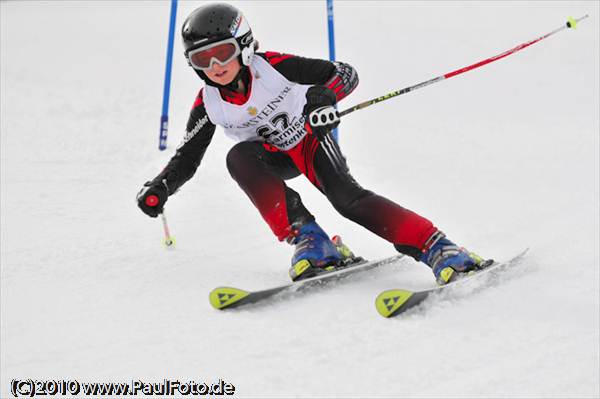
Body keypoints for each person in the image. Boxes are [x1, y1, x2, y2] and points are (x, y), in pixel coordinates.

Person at [136, 3, 487, 285]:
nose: (215, 66)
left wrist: (322, 100)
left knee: (348, 201)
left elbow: (344, 73)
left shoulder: (273, 67)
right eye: (202, 59)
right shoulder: (208, 103)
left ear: (244, 45)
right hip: (271, 158)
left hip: (309, 141)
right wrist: (161, 186)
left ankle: (439, 247)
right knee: (238, 156)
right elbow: (188, 157)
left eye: (223, 52)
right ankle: (310, 240)